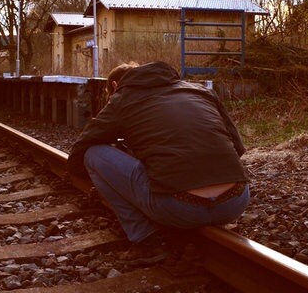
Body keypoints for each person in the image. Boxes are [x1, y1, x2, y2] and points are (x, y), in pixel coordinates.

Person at [68, 61, 251, 244]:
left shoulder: (123, 98)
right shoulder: (201, 91)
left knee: (93, 154)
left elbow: (82, 147)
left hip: (177, 208)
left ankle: (142, 233)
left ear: (115, 86)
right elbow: (238, 147)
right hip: (235, 202)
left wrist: (85, 176)